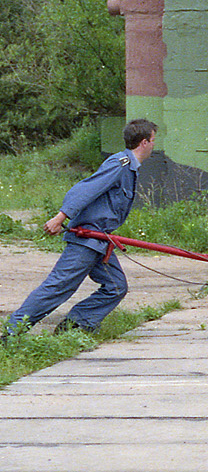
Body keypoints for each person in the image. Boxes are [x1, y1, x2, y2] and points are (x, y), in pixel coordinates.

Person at [4, 119, 158, 335]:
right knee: (58, 287)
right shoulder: (119, 164)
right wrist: (60, 217)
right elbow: (85, 189)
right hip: (87, 239)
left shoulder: (130, 168)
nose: (154, 145)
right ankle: (10, 332)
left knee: (116, 287)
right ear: (144, 142)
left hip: (101, 240)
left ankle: (73, 327)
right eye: (153, 140)